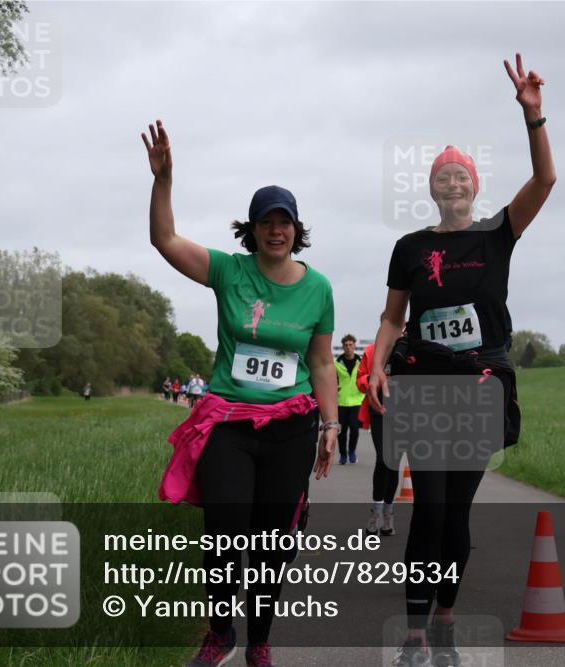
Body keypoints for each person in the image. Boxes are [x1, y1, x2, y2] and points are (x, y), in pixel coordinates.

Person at [368, 54, 555, 667]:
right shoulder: (410, 247)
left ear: (474, 186)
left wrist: (532, 117)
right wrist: (377, 368)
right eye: (443, 176)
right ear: (431, 188)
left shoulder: (498, 233)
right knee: (429, 508)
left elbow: (545, 180)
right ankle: (415, 634)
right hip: (424, 388)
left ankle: (446, 617)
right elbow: (393, 317)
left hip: (480, 387)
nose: (452, 183)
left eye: (461, 176)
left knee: (456, 514)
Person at [143, 119, 338, 667]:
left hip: (291, 426)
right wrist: (164, 180)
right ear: (251, 229)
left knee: (273, 543)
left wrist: (330, 426)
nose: (275, 231)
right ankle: (221, 633)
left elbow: (321, 362)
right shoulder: (229, 271)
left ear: (297, 229)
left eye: (284, 222)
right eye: (265, 222)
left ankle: (259, 641)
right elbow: (164, 240)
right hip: (229, 422)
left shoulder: (319, 287)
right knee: (225, 531)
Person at [357, 324, 401, 536]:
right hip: (378, 412)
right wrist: (374, 379)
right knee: (384, 459)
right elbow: (359, 382)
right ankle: (376, 511)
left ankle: (388, 513)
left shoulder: (406, 351)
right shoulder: (371, 351)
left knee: (393, 464)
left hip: (402, 414)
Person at [334, 334, 365, 464]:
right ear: (343, 346)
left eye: (350, 344)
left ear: (354, 346)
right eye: (346, 345)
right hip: (341, 401)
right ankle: (343, 455)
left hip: (357, 400)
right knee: (342, 431)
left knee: (355, 429)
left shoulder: (361, 361)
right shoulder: (336, 363)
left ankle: (352, 452)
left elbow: (366, 377)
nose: (348, 347)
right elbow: (332, 379)